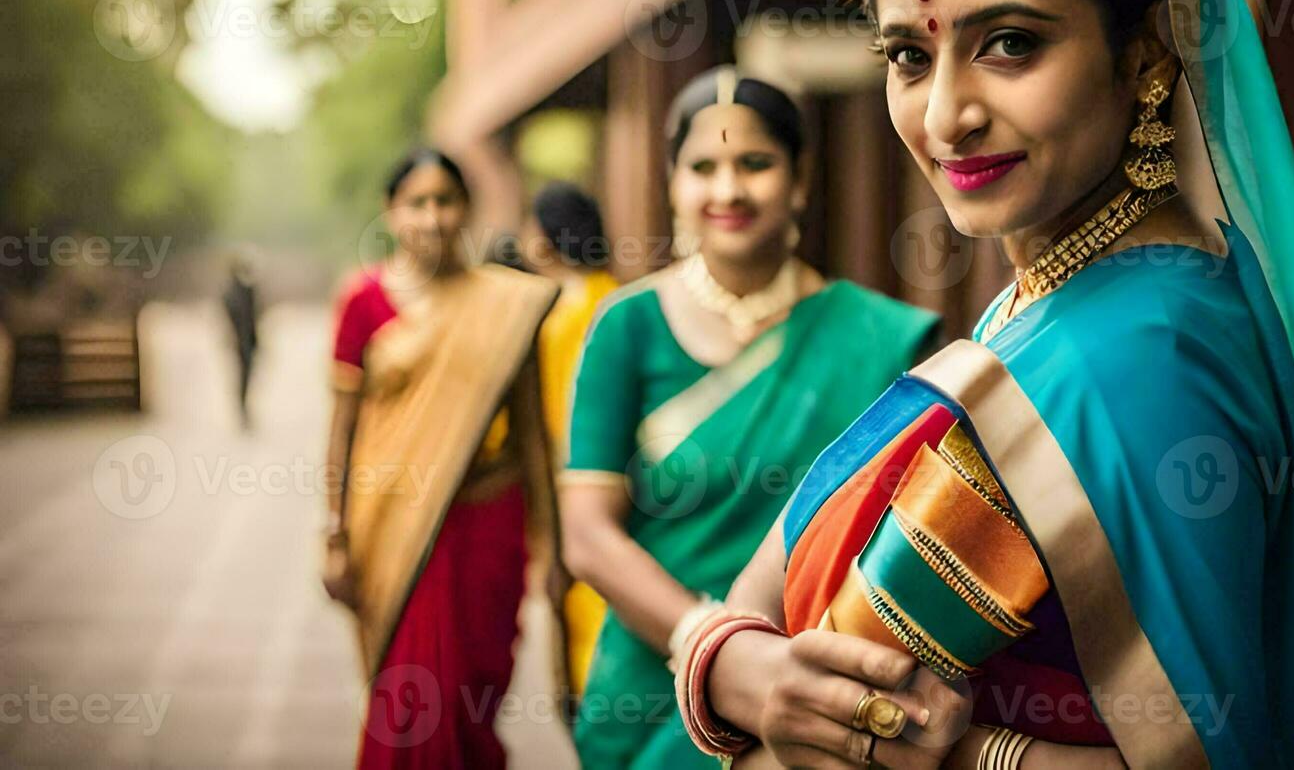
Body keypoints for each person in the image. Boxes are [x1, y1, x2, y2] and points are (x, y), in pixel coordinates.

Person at [680, 0, 1294, 770]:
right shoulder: (1054, 298)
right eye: (908, 56)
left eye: (1009, 42)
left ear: (1142, 56)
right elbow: (759, 611)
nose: (946, 115)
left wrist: (965, 753)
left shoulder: (1146, 350)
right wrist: (735, 671)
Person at [558, 67, 941, 769]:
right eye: (703, 167)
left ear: (799, 181)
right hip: (652, 691)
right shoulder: (626, 327)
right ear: (673, 184)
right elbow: (585, 534)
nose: (728, 189)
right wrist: (712, 644)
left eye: (755, 164)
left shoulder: (881, 339)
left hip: (819, 690)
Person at [321, 147, 562, 769]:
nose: (432, 218)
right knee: (410, 705)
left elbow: (532, 435)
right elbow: (342, 432)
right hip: (396, 526)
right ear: (390, 212)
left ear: (467, 209)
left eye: (446, 201)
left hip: (489, 522)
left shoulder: (506, 306)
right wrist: (334, 536)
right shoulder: (363, 300)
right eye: (416, 204)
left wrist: (552, 548)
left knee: (473, 701)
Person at [522, 181, 621, 698]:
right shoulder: (624, 300)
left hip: (579, 497)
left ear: (545, 238)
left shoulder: (558, 319)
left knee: (588, 638)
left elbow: (554, 429)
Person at [222, 251, 258, 431]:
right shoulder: (234, 292)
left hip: (247, 342)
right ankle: (242, 410)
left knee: (247, 377)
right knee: (242, 377)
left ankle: (244, 409)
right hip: (240, 342)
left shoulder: (247, 290)